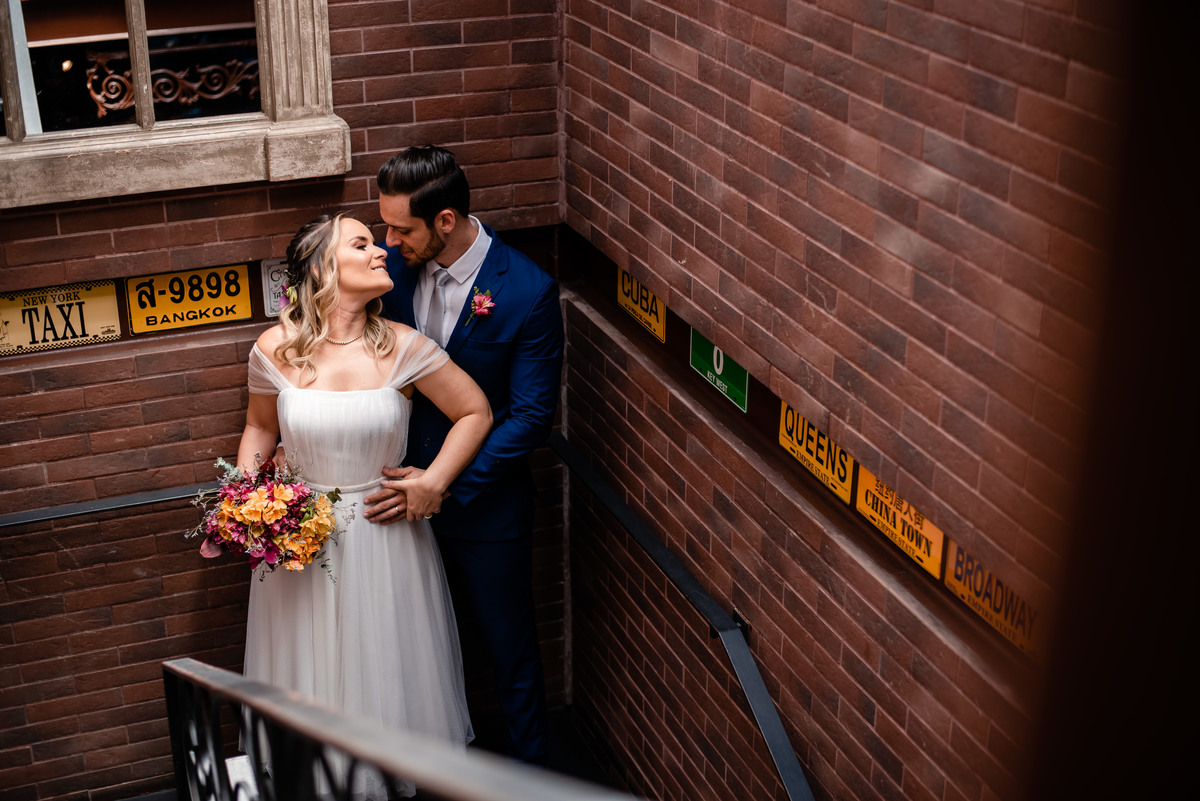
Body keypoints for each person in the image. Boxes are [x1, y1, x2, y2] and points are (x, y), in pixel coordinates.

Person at [237, 212, 492, 799]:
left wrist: (432, 482)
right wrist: (250, 502)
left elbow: (474, 412)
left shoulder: (404, 346)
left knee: (384, 672)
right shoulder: (275, 350)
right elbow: (257, 430)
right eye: (362, 244)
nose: (382, 251)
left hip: (386, 536)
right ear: (326, 267)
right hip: (301, 544)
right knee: (313, 673)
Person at [365, 145, 564, 766]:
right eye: (384, 226)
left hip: (485, 508)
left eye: (402, 228)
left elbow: (531, 415)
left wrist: (444, 483)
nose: (388, 241)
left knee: (508, 652)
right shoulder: (392, 273)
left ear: (444, 221)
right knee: (415, 649)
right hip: (394, 499)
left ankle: (531, 777)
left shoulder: (527, 291)